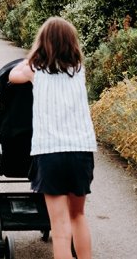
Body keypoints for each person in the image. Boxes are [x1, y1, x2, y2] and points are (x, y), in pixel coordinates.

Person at [8, 17, 97, 259]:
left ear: (42, 43)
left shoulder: (34, 70)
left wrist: (32, 56)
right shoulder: (78, 70)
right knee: (78, 215)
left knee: (59, 228)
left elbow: (13, 76)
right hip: (81, 150)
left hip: (50, 152)